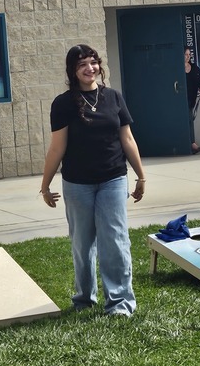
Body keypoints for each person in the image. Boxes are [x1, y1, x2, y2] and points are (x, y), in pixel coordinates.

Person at [40, 44, 146, 317]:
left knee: (115, 239)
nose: (90, 69)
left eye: (93, 62)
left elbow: (128, 138)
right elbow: (57, 148)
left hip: (113, 178)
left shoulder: (113, 97)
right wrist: (45, 185)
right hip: (77, 183)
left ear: (99, 65)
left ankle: (120, 303)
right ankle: (84, 298)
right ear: (73, 72)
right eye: (82, 65)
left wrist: (141, 176)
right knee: (82, 242)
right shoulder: (63, 104)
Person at [185, 48, 200, 153]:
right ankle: (192, 144)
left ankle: (190, 144)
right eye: (185, 54)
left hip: (191, 99)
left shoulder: (194, 68)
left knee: (190, 120)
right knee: (188, 120)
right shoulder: (176, 68)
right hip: (179, 100)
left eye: (189, 54)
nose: (188, 56)